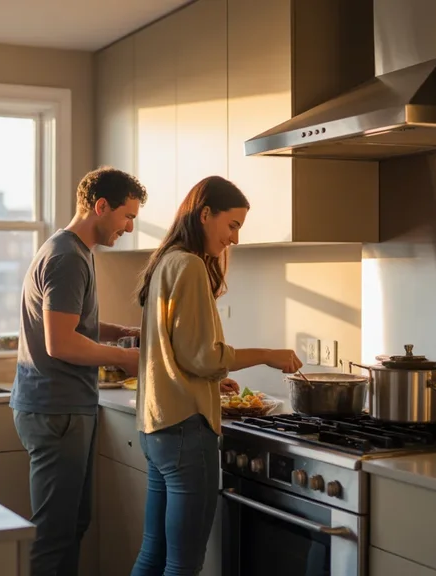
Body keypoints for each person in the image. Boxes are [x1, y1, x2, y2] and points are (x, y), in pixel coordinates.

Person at [130, 175, 304, 576]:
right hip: (186, 430)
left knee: (153, 555)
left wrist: (209, 379)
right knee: (183, 564)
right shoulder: (189, 265)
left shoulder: (167, 261)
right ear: (205, 214)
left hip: (157, 425)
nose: (236, 239)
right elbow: (203, 356)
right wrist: (268, 355)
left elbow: (177, 352)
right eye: (233, 225)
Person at [10, 166, 148, 576]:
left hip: (62, 407)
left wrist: (121, 332)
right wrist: (127, 358)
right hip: (57, 411)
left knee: (72, 525)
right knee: (56, 534)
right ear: (100, 206)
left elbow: (70, 321)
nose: (128, 227)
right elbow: (62, 343)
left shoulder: (71, 250)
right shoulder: (68, 257)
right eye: (127, 216)